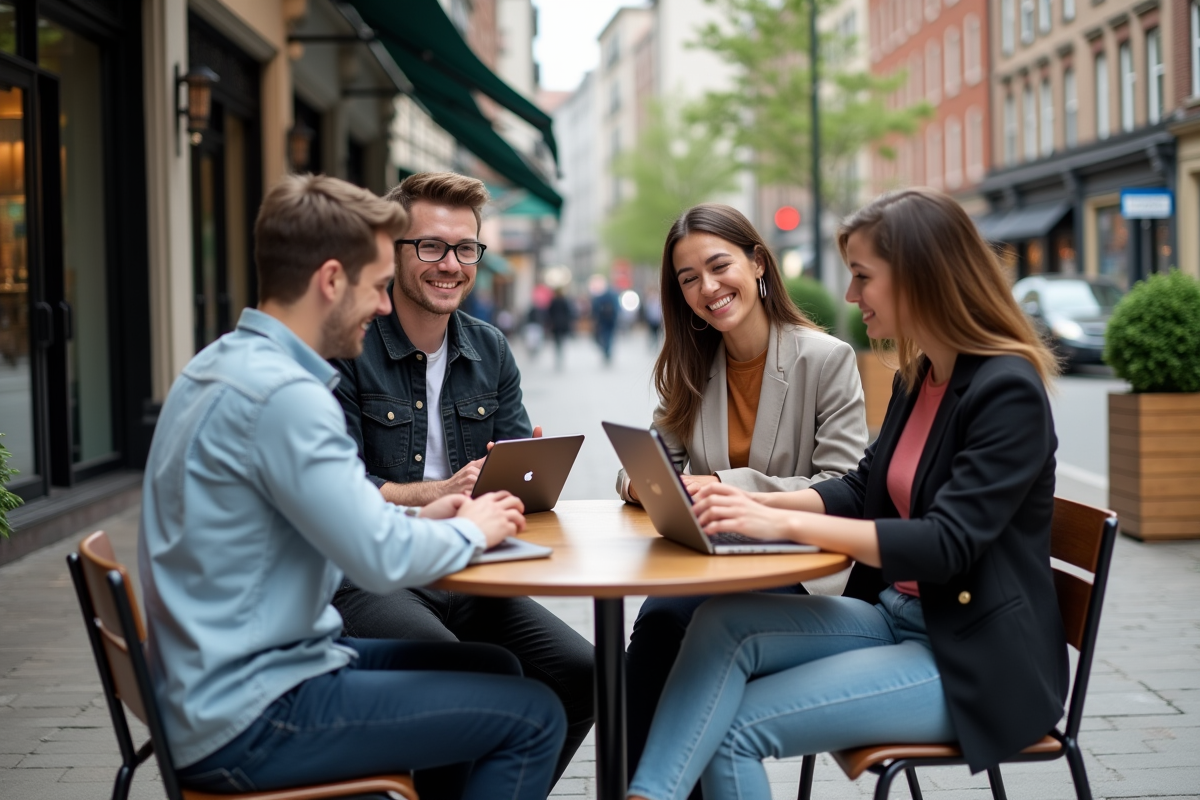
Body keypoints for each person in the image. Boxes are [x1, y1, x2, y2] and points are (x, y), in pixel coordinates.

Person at [627, 188, 1067, 800]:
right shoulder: (923, 376)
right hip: (894, 616)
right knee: (715, 624)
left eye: (862, 277)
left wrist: (781, 522)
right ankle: (649, 794)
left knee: (733, 730)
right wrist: (759, 506)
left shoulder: (1006, 389)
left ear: (921, 278)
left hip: (971, 658)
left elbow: (945, 546)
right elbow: (860, 488)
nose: (851, 295)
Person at [138, 174, 565, 800]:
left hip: (226, 681)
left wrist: (427, 518)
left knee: (491, 666)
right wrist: (469, 527)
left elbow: (340, 514)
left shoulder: (222, 363)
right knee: (534, 717)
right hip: (253, 711)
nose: (384, 305)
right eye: (374, 285)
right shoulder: (287, 397)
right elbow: (375, 559)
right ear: (331, 281)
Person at [329, 171, 594, 784]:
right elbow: (342, 491)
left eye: (465, 248)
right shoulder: (350, 344)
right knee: (462, 674)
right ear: (394, 251)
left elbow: (514, 468)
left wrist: (525, 475)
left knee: (582, 674)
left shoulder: (490, 348)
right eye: (430, 247)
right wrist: (441, 495)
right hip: (375, 571)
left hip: (472, 569)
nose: (450, 264)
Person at [616, 203, 868, 782]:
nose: (707, 287)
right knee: (658, 625)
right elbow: (659, 463)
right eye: (687, 279)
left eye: (718, 265)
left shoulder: (825, 359)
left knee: (670, 624)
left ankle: (646, 788)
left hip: (804, 565)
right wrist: (639, 481)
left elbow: (842, 486)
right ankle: (644, 788)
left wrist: (722, 486)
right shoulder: (691, 363)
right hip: (715, 559)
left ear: (757, 262)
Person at [547, 287, 575, 370]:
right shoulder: (565, 301)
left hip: (555, 324)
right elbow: (570, 312)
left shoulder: (553, 301)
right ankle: (560, 356)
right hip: (563, 324)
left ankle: (558, 357)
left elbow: (549, 313)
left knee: (557, 342)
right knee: (562, 341)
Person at [592, 281, 619, 363]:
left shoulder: (601, 297)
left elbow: (595, 308)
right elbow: (617, 308)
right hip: (611, 320)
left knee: (604, 336)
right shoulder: (614, 297)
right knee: (609, 336)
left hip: (603, 320)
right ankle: (607, 350)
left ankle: (606, 349)